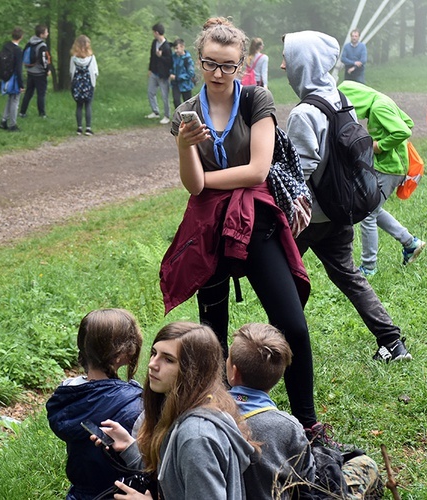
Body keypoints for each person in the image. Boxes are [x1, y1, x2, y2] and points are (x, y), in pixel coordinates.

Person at [160, 17, 328, 442]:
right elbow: (191, 183)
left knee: (292, 324)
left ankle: (307, 423)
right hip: (209, 230)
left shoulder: (256, 98)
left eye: (228, 65)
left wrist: (206, 180)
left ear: (241, 64)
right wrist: (184, 147)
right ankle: (217, 418)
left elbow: (257, 170)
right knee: (210, 332)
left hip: (254, 222)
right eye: (210, 64)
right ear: (199, 62)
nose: (218, 74)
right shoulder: (185, 112)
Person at [282, 30, 412, 363]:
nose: (283, 65)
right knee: (350, 277)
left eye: (288, 58)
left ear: (303, 64)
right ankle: (392, 342)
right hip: (341, 210)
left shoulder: (303, 113)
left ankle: (277, 347)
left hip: (308, 217)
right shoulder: (340, 98)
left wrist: (282, 203)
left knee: (281, 280)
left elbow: (302, 168)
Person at [97, 322, 256, 499]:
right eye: (154, 354)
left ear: (193, 370)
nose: (152, 364)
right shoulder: (192, 407)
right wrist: (129, 447)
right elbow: (174, 477)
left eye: (168, 359)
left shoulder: (196, 438)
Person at [227, 323, 383, 499]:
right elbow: (309, 481)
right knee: (366, 464)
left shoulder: (211, 412)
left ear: (233, 371)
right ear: (278, 377)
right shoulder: (287, 426)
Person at [46, 309, 143, 500]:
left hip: (79, 494)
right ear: (120, 354)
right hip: (121, 494)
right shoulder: (135, 405)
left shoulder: (68, 395)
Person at [338, 80, 427, 274]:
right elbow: (408, 121)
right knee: (373, 209)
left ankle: (369, 267)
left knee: (368, 214)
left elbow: (404, 130)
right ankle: (410, 243)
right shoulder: (382, 100)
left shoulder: (378, 108)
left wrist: (378, 146)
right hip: (395, 167)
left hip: (389, 168)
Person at [19, 24, 52, 119]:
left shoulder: (30, 42)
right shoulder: (42, 46)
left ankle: (22, 112)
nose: (47, 33)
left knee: (28, 93)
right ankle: (42, 114)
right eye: (46, 32)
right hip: (39, 73)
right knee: (41, 94)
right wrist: (47, 70)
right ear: (41, 35)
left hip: (30, 72)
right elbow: (44, 60)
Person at [69, 35, 99, 136]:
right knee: (88, 105)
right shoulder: (91, 58)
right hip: (88, 83)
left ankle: (79, 128)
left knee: (79, 106)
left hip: (77, 84)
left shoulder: (73, 58)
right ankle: (88, 128)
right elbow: (95, 72)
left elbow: (71, 71)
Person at [144, 23, 173, 125]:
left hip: (163, 75)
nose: (153, 34)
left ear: (156, 32)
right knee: (150, 92)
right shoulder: (154, 43)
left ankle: (167, 116)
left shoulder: (167, 46)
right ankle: (155, 111)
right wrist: (150, 69)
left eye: (153, 32)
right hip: (154, 73)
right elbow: (152, 56)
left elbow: (169, 61)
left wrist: (161, 56)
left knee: (164, 96)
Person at [0, 27, 24, 132]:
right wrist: (21, 84)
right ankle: (13, 124)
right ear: (21, 37)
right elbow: (19, 68)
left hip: (6, 77)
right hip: (14, 78)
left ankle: (3, 120)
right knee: (15, 100)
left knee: (10, 99)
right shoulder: (18, 50)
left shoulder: (6, 46)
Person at [169, 38, 195, 109]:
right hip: (175, 84)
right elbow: (171, 67)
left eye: (177, 48)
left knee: (188, 103)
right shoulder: (173, 57)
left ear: (183, 47)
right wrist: (170, 74)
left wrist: (177, 77)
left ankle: (189, 118)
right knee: (176, 101)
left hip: (186, 85)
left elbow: (191, 73)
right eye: (174, 48)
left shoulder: (187, 59)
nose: (175, 50)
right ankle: (179, 117)